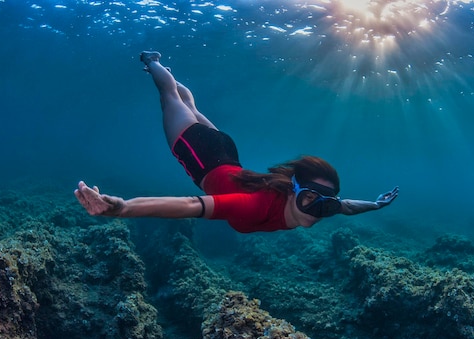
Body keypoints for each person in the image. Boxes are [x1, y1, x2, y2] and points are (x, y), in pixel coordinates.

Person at [75, 51, 398, 234]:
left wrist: (376, 204)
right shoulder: (256, 204)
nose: (317, 210)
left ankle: (166, 72)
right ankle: (153, 62)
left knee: (191, 107)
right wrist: (121, 209)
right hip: (200, 153)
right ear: (295, 189)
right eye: (312, 198)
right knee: (169, 96)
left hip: (227, 153)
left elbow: (346, 206)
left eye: (324, 204)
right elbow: (190, 206)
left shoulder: (318, 202)